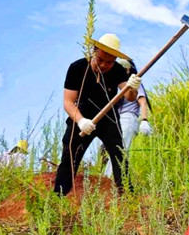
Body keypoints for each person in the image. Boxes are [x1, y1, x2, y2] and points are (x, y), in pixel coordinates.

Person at [53, 33, 142, 195]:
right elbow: (68, 101)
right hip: (81, 115)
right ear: (94, 51)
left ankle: (128, 198)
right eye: (100, 60)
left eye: (109, 62)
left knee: (119, 156)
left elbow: (130, 97)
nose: (103, 65)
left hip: (108, 118)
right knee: (70, 157)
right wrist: (80, 121)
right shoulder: (77, 68)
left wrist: (132, 86)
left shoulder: (118, 70)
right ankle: (58, 197)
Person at [103, 58, 152, 178]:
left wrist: (144, 120)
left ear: (128, 69)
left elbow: (143, 102)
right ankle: (109, 181)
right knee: (112, 151)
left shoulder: (134, 84)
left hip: (129, 118)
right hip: (117, 120)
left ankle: (108, 181)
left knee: (120, 150)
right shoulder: (119, 85)